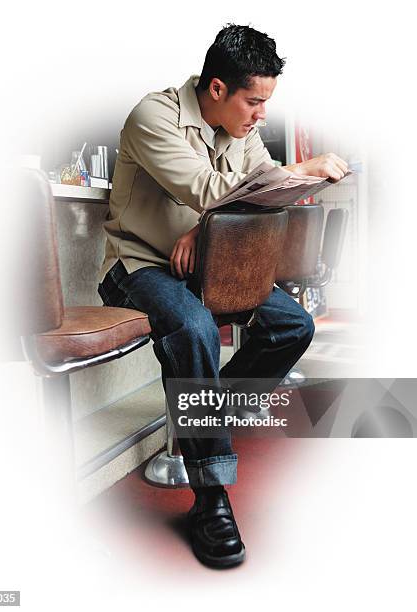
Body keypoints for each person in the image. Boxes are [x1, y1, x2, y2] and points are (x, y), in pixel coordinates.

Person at [98, 24, 348, 568]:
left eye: (266, 103)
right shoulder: (154, 115)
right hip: (138, 264)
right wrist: (300, 169)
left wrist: (201, 228)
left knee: (293, 327)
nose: (261, 115)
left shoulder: (243, 131)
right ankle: (210, 500)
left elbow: (259, 197)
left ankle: (209, 415)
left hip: (209, 260)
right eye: (253, 101)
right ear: (216, 89)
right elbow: (214, 192)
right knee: (194, 328)